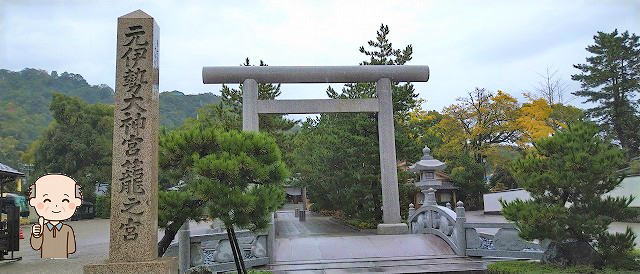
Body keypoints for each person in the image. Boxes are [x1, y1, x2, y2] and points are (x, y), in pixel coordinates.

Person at [28, 174, 81, 259]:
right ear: (34, 202)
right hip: (51, 260)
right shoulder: (43, 229)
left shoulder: (67, 229)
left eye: (65, 200)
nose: (56, 205)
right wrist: (36, 234)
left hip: (56, 260)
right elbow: (71, 249)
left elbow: (71, 249)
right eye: (47, 200)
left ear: (76, 202)